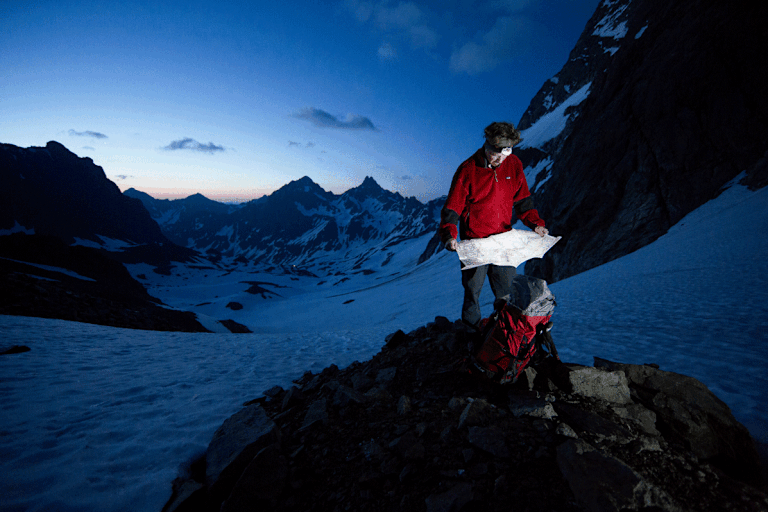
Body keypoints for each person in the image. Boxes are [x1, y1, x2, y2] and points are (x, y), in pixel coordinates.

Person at [439, 121, 548, 331]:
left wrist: (536, 224)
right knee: (472, 292)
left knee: (506, 291)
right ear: (486, 144)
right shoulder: (467, 169)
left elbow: (523, 202)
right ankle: (472, 335)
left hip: (502, 240)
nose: (497, 158)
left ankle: (502, 335)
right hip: (475, 242)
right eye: (492, 152)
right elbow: (452, 208)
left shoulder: (514, 164)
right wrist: (449, 236)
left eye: (503, 154)